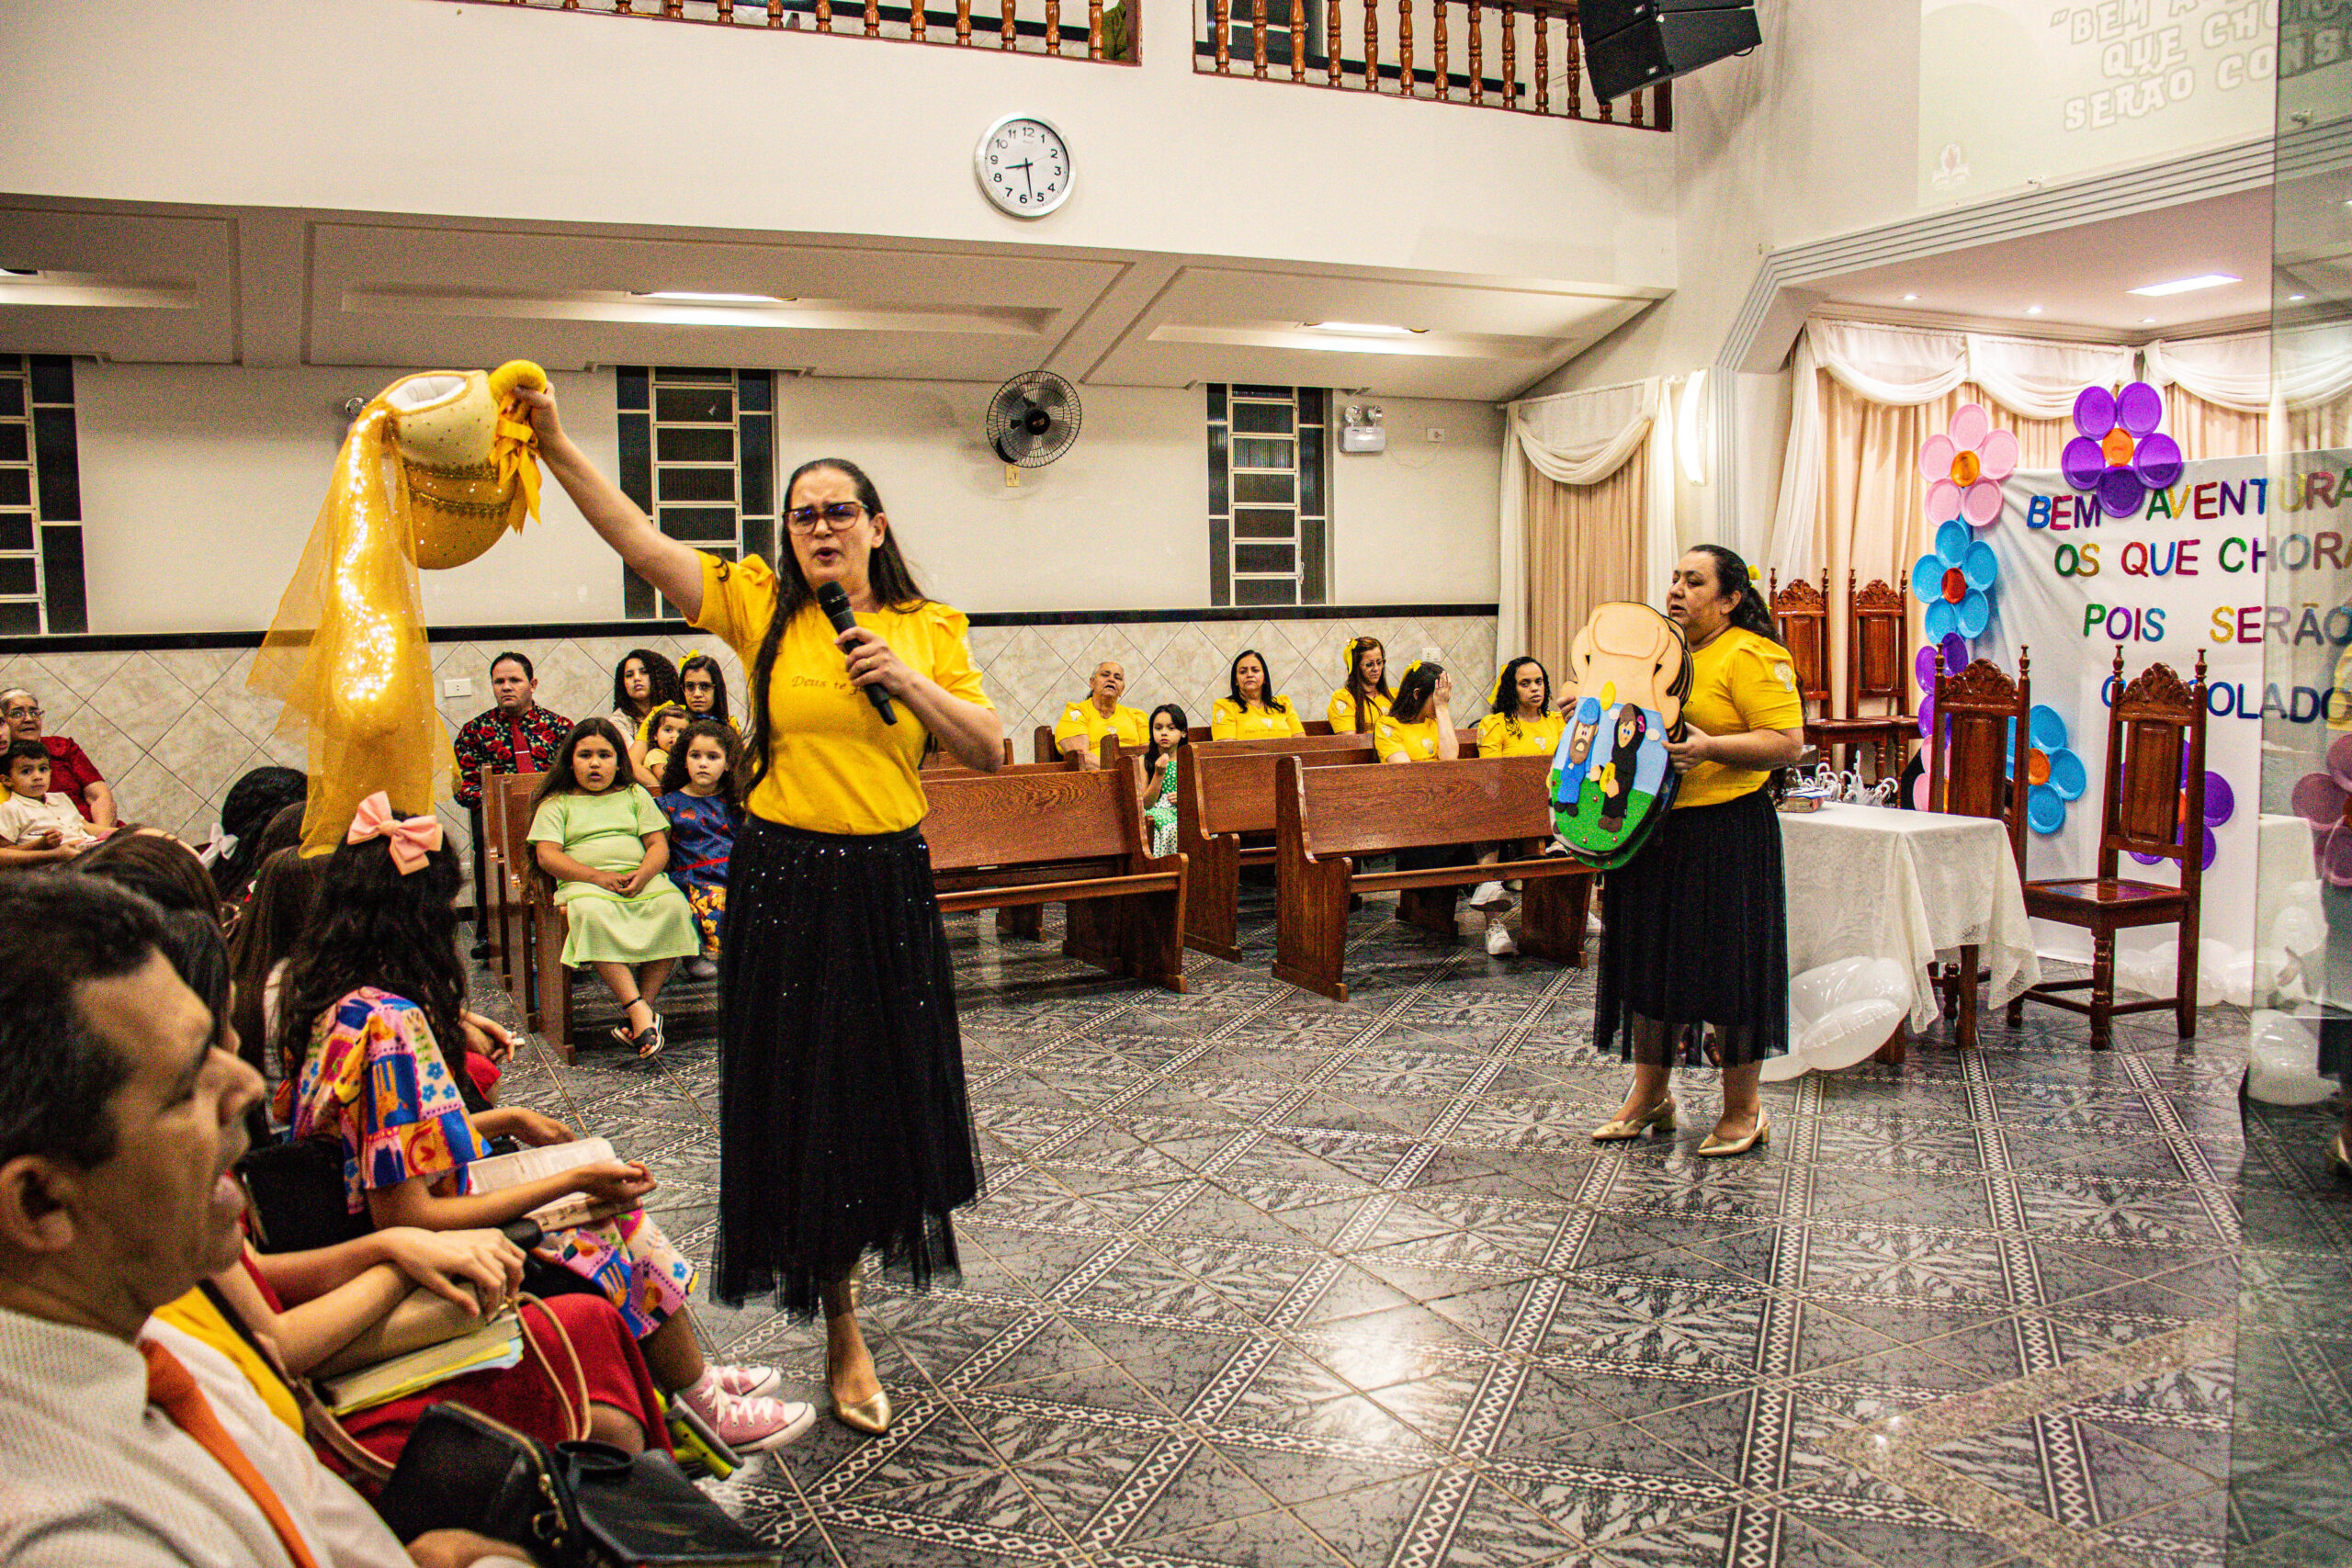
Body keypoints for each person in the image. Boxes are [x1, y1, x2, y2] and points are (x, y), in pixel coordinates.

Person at [514, 380, 1001, 1440]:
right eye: (803, 514)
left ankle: (861, 1279)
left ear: (877, 528)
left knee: (883, 1100)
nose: (821, 527)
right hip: (787, 884)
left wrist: (906, 679)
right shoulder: (758, 605)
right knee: (810, 1107)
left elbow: (987, 748)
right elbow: (640, 539)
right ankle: (841, 1329)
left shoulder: (928, 628)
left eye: (840, 511)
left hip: (887, 883)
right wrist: (554, 445)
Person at [0, 871, 536, 1568]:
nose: (248, 1085)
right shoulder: (72, 1540)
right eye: (185, 1085)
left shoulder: (160, 1349)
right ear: (40, 1202)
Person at [283, 803, 810, 1453]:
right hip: (420, 1244)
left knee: (599, 1180)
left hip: (411, 1204)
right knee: (609, 1213)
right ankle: (700, 1400)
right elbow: (407, 1214)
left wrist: (509, 1118)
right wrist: (571, 1181)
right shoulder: (390, 1028)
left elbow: (390, 1144)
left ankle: (687, 1377)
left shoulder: (339, 1000)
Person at [144, 906, 673, 1472]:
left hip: (340, 1301)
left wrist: (394, 1248)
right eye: (214, 1036)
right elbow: (282, 1337)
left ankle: (686, 1408)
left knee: (586, 1291)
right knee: (588, 1312)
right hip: (317, 1393)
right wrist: (401, 1258)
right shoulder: (383, 1024)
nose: (244, 1070)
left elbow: (259, 1273)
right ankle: (680, 1416)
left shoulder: (338, 1011)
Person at [1592, 546, 1804, 1158]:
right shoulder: (1656, 655)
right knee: (1649, 963)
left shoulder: (1750, 654)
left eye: (1694, 581)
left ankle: (1743, 1109)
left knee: (1728, 970)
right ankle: (1650, 1097)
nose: (1677, 590)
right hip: (1651, 829)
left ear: (1731, 598)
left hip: (1724, 832)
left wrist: (1713, 748)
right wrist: (1592, 715)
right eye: (1675, 578)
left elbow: (1787, 743)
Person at [526, 721, 700, 1058]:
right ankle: (638, 1009)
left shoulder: (634, 794)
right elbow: (547, 855)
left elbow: (658, 846)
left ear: (619, 761)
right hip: (585, 885)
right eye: (585, 755)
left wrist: (644, 874)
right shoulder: (557, 802)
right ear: (570, 761)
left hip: (639, 880)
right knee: (592, 914)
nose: (595, 764)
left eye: (605, 755)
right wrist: (596, 877)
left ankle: (641, 1011)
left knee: (674, 907)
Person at [450, 652, 571, 957]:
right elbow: (464, 787)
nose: (506, 687)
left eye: (515, 680)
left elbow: (573, 776)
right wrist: (500, 804)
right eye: (499, 681)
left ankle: (566, 926)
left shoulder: (559, 727)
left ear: (532, 684)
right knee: (487, 844)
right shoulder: (474, 732)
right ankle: (489, 933)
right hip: (497, 816)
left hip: (552, 813)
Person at [1466, 657, 1566, 954]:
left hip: (1550, 805)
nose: (1535, 688)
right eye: (1525, 683)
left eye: (1539, 682)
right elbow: (1490, 775)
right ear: (1512, 688)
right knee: (1487, 818)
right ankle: (1493, 924)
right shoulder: (1495, 724)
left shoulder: (1557, 721)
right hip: (1507, 806)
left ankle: (1573, 911)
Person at [657, 719, 741, 982]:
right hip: (692, 877)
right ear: (684, 761)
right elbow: (662, 851)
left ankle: (746, 957)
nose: (703, 763)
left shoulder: (736, 800)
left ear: (728, 764)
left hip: (734, 871)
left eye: (712, 757)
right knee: (710, 901)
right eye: (695, 756)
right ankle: (693, 956)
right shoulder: (669, 804)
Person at [2, 685, 116, 829]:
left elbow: (99, 796)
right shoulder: (4, 759)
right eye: (17, 714)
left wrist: (102, 835)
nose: (29, 719)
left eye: (34, 712)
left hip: (96, 831)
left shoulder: (62, 747)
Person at [0, 737, 105, 863]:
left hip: (88, 849)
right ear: (7, 780)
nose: (37, 777)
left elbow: (85, 827)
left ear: (50, 772)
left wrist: (120, 833)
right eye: (26, 771)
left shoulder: (60, 798)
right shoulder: (10, 809)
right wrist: (41, 845)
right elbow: (6, 851)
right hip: (56, 863)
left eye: (43, 769)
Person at [1053, 660, 1150, 767]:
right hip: (1096, 775)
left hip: (1136, 774)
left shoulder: (1137, 716)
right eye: (1105, 675)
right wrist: (1120, 772)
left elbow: (1149, 755)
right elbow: (1082, 758)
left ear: (1122, 689)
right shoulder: (1076, 713)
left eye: (1118, 678)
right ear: (1092, 683)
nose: (1111, 680)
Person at [1211, 649, 1304, 740]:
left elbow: (1301, 744)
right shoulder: (1225, 706)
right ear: (1236, 680)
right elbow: (1227, 748)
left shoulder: (1283, 703)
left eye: (1255, 670)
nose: (1249, 675)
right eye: (1243, 672)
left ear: (1265, 678)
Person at [1140, 704, 1189, 858]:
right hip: (1155, 811)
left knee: (1198, 826)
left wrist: (1184, 799)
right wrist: (1159, 774)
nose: (1164, 733)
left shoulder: (1188, 760)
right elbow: (1145, 803)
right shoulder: (1144, 761)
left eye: (1171, 728)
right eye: (1158, 728)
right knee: (1173, 827)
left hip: (1184, 810)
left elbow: (1199, 796)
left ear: (1183, 732)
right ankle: (1170, 865)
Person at [609, 648, 683, 737]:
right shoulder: (618, 721)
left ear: (659, 677)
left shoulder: (679, 714)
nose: (636, 678)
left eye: (644, 672)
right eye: (629, 675)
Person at [1327, 636, 1393, 734]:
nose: (1376, 669)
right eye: (1369, 664)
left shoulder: (1394, 695)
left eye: (1379, 662)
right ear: (1356, 667)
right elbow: (1349, 741)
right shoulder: (1343, 698)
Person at [629, 700, 693, 792]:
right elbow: (666, 779)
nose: (674, 735)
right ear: (655, 735)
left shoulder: (684, 755)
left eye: (681, 732)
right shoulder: (656, 754)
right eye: (668, 730)